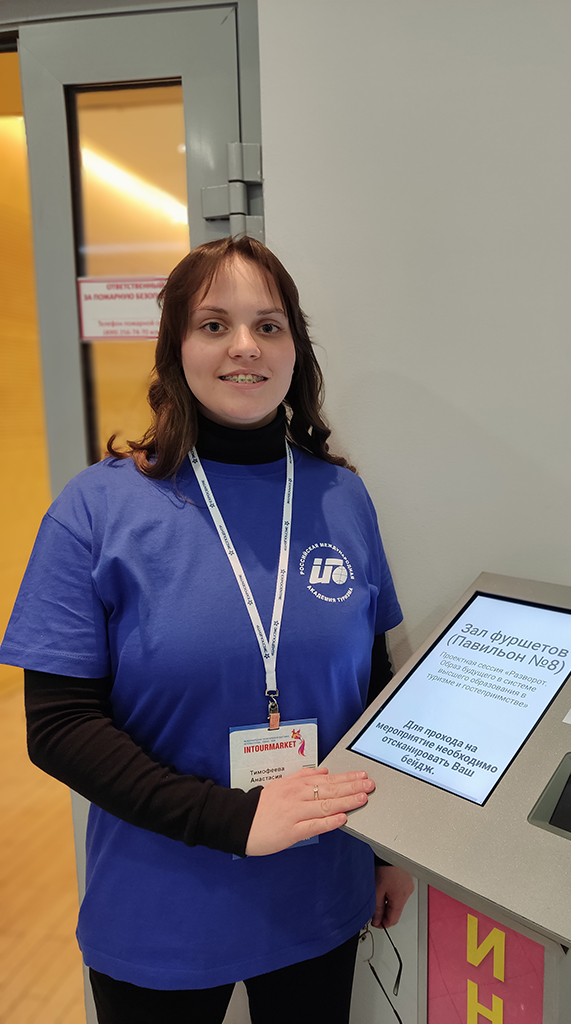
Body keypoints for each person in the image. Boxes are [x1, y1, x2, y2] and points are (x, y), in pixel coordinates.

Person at [0, 235, 413, 1024]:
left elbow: (374, 688)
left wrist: (389, 848)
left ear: (295, 350)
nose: (244, 346)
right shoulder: (97, 509)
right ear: (177, 349)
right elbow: (58, 726)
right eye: (214, 324)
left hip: (317, 896)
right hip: (162, 912)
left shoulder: (341, 499)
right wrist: (236, 820)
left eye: (269, 325)